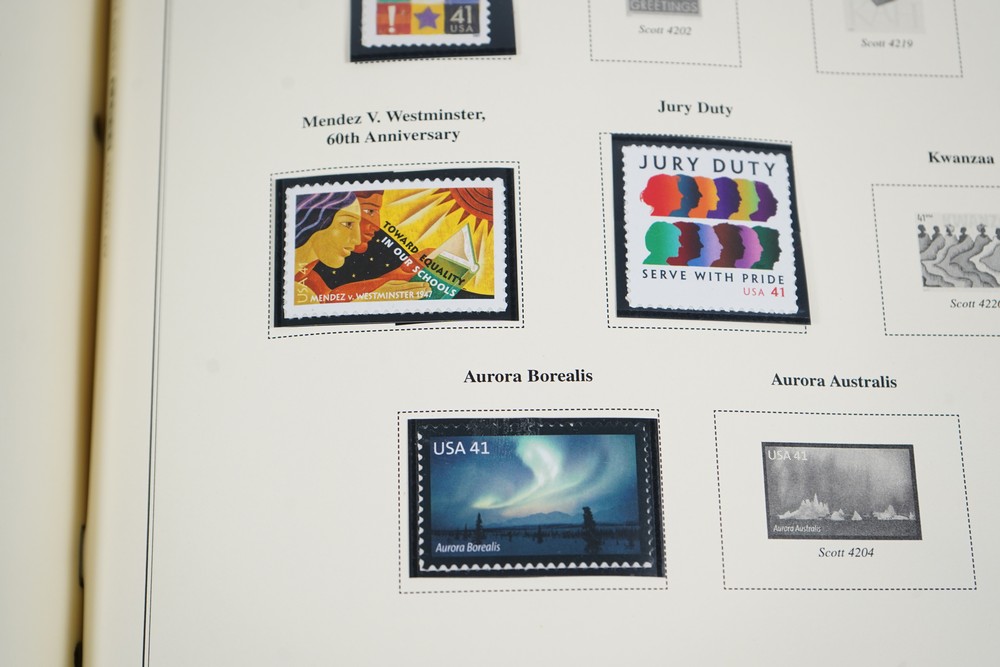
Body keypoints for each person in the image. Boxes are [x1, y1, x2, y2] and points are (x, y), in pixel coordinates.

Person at [293, 191, 362, 303]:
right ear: (315, 219)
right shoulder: (300, 294)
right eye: (348, 223)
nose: (357, 240)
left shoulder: (311, 282)